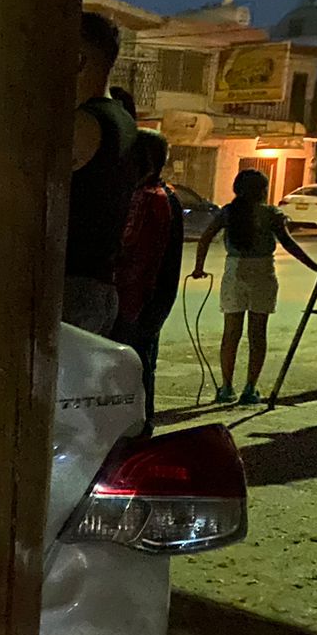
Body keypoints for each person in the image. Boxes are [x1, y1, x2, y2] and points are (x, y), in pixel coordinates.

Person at [191, 168, 317, 406]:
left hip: (234, 271)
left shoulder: (228, 212)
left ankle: (226, 387)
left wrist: (199, 268)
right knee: (258, 333)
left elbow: (205, 238)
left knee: (231, 333)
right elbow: (288, 243)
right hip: (263, 273)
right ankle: (250, 388)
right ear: (263, 191)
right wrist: (314, 266)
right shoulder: (271, 214)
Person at [64, 13, 139, 335]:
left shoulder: (83, 124)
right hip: (100, 284)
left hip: (70, 287)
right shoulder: (123, 121)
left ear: (78, 60)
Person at [112, 129, 183, 426]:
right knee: (142, 367)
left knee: (131, 370)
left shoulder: (149, 198)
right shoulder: (166, 195)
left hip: (137, 302)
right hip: (151, 301)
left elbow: (133, 252)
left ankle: (135, 429)